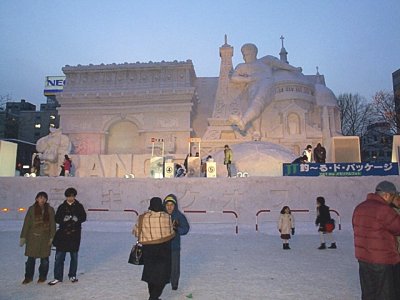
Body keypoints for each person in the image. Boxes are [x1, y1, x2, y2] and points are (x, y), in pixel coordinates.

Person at [229, 43, 302, 131]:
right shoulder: (242, 66)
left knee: (258, 98)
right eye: (243, 55)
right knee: (254, 102)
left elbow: (281, 65)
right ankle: (255, 131)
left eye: (247, 54)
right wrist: (249, 79)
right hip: (252, 86)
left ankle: (243, 121)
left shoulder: (266, 60)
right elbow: (234, 78)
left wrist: (295, 69)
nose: (244, 57)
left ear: (254, 53)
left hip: (267, 83)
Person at [352, 181, 400, 299]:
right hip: (383, 260)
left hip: (363, 259)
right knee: (386, 294)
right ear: (387, 195)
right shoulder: (384, 209)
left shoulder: (359, 207)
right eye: (394, 197)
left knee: (369, 293)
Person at [133, 197, 175, 300]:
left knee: (150, 274)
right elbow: (171, 233)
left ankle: (153, 296)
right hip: (164, 249)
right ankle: (153, 297)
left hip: (148, 249)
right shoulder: (166, 217)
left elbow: (136, 232)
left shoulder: (142, 217)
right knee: (163, 274)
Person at [48, 187, 87, 285]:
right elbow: (56, 218)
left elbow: (84, 217)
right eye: (69, 196)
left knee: (74, 257)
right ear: (66, 197)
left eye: (72, 196)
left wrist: (77, 219)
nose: (71, 198)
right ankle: (57, 277)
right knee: (59, 257)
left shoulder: (79, 206)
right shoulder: (62, 207)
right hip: (63, 235)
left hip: (74, 235)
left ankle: (72, 275)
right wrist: (63, 219)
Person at [20, 192, 56, 284]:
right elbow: (26, 223)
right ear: (36, 199)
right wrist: (23, 237)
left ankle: (42, 277)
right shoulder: (31, 209)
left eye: (44, 198)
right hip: (33, 238)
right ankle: (28, 277)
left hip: (45, 238)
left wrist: (52, 237)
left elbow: (52, 224)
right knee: (30, 260)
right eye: (40, 198)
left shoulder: (50, 210)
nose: (42, 200)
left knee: (44, 261)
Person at [163, 194, 190, 290]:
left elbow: (186, 229)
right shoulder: (161, 216)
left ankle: (174, 283)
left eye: (171, 205)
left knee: (175, 267)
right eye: (167, 205)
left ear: (175, 206)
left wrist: (177, 229)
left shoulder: (179, 216)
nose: (169, 207)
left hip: (174, 246)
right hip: (162, 246)